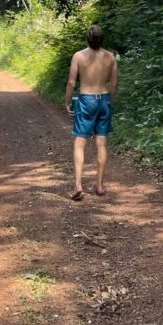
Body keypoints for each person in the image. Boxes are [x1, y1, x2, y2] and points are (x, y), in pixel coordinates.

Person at [65, 24, 118, 200]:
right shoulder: (110, 57)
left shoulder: (79, 56)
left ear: (87, 38)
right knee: (101, 143)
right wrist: (109, 100)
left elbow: (72, 83)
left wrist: (67, 103)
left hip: (86, 99)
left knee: (80, 142)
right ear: (102, 39)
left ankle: (78, 184)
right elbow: (114, 83)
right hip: (103, 98)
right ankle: (100, 186)